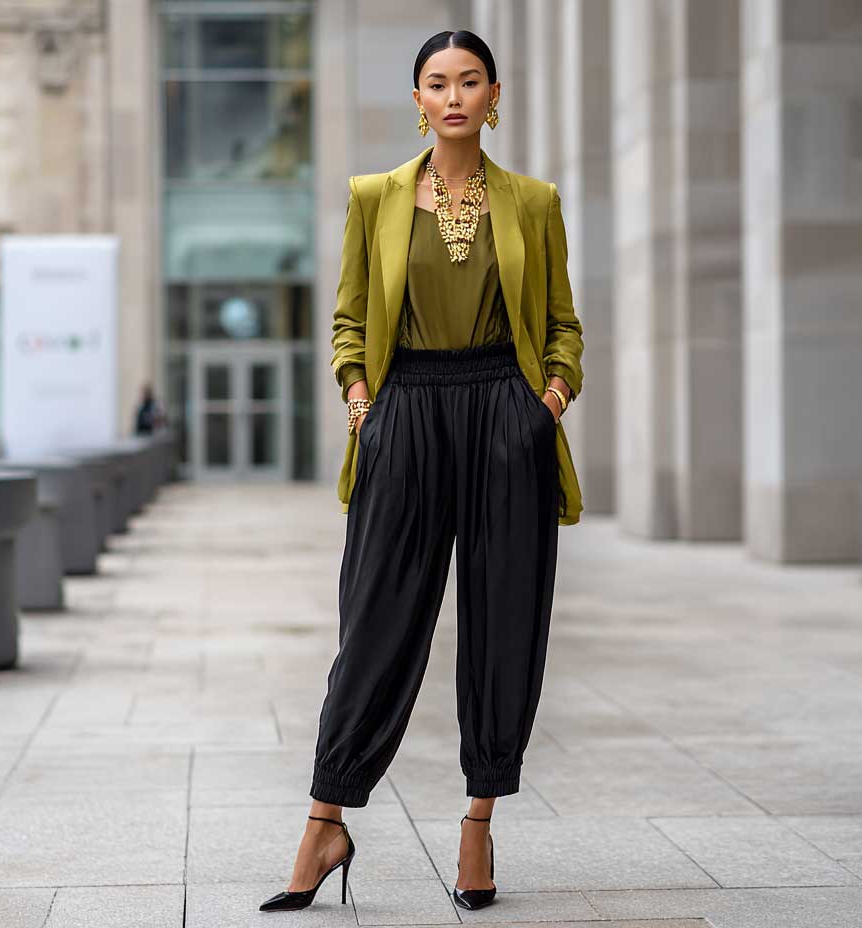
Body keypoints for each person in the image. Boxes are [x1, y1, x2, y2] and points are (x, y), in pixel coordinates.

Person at [260, 28, 585, 914]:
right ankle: (327, 818)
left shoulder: (534, 202)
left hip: (503, 419)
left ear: (494, 94)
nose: (453, 96)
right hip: (405, 414)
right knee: (374, 625)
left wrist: (543, 405)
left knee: (502, 624)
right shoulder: (375, 198)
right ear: (416, 99)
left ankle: (479, 821)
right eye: (436, 83)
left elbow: (562, 325)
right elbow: (348, 321)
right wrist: (365, 405)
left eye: (469, 81)